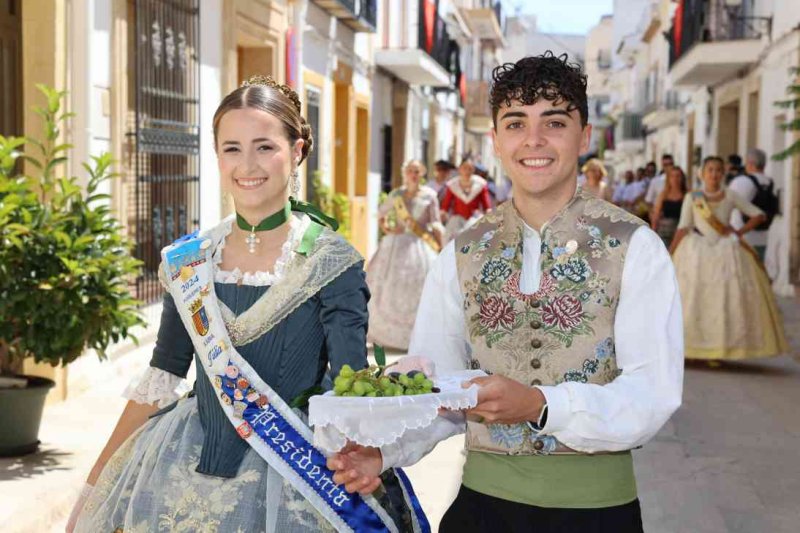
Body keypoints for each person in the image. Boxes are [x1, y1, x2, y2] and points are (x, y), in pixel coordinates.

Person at [329, 51, 683, 533]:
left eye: (554, 122)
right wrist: (382, 451)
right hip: (481, 511)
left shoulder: (635, 247)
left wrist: (542, 405)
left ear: (586, 136)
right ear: (495, 140)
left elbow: (651, 393)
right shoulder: (461, 252)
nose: (533, 140)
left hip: (598, 515)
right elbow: (439, 387)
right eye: (516, 124)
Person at [67, 76, 428, 533]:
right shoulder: (190, 261)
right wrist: (95, 488)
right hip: (182, 468)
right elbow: (162, 375)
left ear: (296, 151)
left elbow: (347, 386)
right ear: (217, 156)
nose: (247, 165)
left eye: (264, 147)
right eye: (231, 148)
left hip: (297, 474)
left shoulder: (333, 261)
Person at [670, 156, 788, 361]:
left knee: (724, 300)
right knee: (693, 299)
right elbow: (683, 227)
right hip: (695, 251)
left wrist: (739, 233)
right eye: (710, 170)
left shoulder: (731, 195)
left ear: (723, 174)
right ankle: (690, 348)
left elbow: (758, 215)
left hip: (726, 251)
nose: (714, 174)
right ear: (702, 173)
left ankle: (720, 349)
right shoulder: (693, 197)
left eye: (718, 170)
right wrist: (670, 253)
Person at [367, 159, 444, 350]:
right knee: (388, 288)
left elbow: (436, 224)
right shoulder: (396, 194)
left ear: (423, 173)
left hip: (421, 246)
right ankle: (391, 337)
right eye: (410, 170)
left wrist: (442, 249)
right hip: (396, 246)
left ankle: (419, 338)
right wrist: (388, 229)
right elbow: (380, 214)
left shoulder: (430, 196)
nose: (414, 174)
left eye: (417, 171)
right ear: (404, 173)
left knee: (422, 289)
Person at [728, 148, 778, 260]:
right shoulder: (770, 183)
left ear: (750, 163)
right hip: (762, 239)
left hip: (741, 237)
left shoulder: (742, 181)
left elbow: (727, 204)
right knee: (757, 274)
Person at [440, 157, 493, 242]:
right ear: (459, 169)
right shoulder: (453, 185)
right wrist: (442, 216)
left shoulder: (480, 184)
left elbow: (486, 206)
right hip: (457, 219)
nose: (467, 171)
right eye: (464, 168)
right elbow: (446, 205)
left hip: (474, 218)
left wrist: (490, 217)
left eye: (470, 168)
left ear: (473, 170)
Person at [650, 165, 687, 247]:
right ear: (669, 179)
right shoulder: (663, 195)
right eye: (672, 176)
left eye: (678, 176)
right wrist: (653, 235)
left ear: (682, 178)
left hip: (681, 232)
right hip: (665, 232)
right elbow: (656, 216)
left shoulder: (687, 195)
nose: (675, 179)